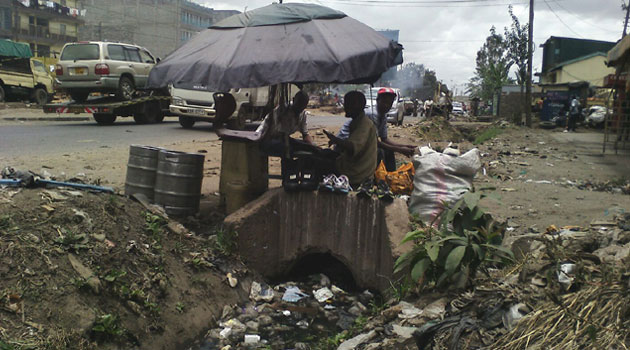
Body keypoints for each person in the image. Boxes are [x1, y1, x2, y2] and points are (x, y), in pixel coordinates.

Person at [337, 88, 415, 172]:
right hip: (347, 144)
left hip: (360, 143)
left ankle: (389, 175)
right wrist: (400, 150)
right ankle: (374, 175)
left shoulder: (383, 114)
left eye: (389, 103)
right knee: (379, 151)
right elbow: (375, 142)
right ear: (377, 100)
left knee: (388, 151)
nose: (387, 105)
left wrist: (404, 146)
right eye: (384, 102)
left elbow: (384, 139)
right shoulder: (372, 114)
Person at [322, 91, 378, 189]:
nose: (345, 107)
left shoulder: (364, 124)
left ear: (358, 105)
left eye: (348, 104)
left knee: (317, 162)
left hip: (356, 172)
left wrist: (335, 140)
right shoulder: (356, 122)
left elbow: (353, 147)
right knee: (325, 153)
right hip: (354, 165)